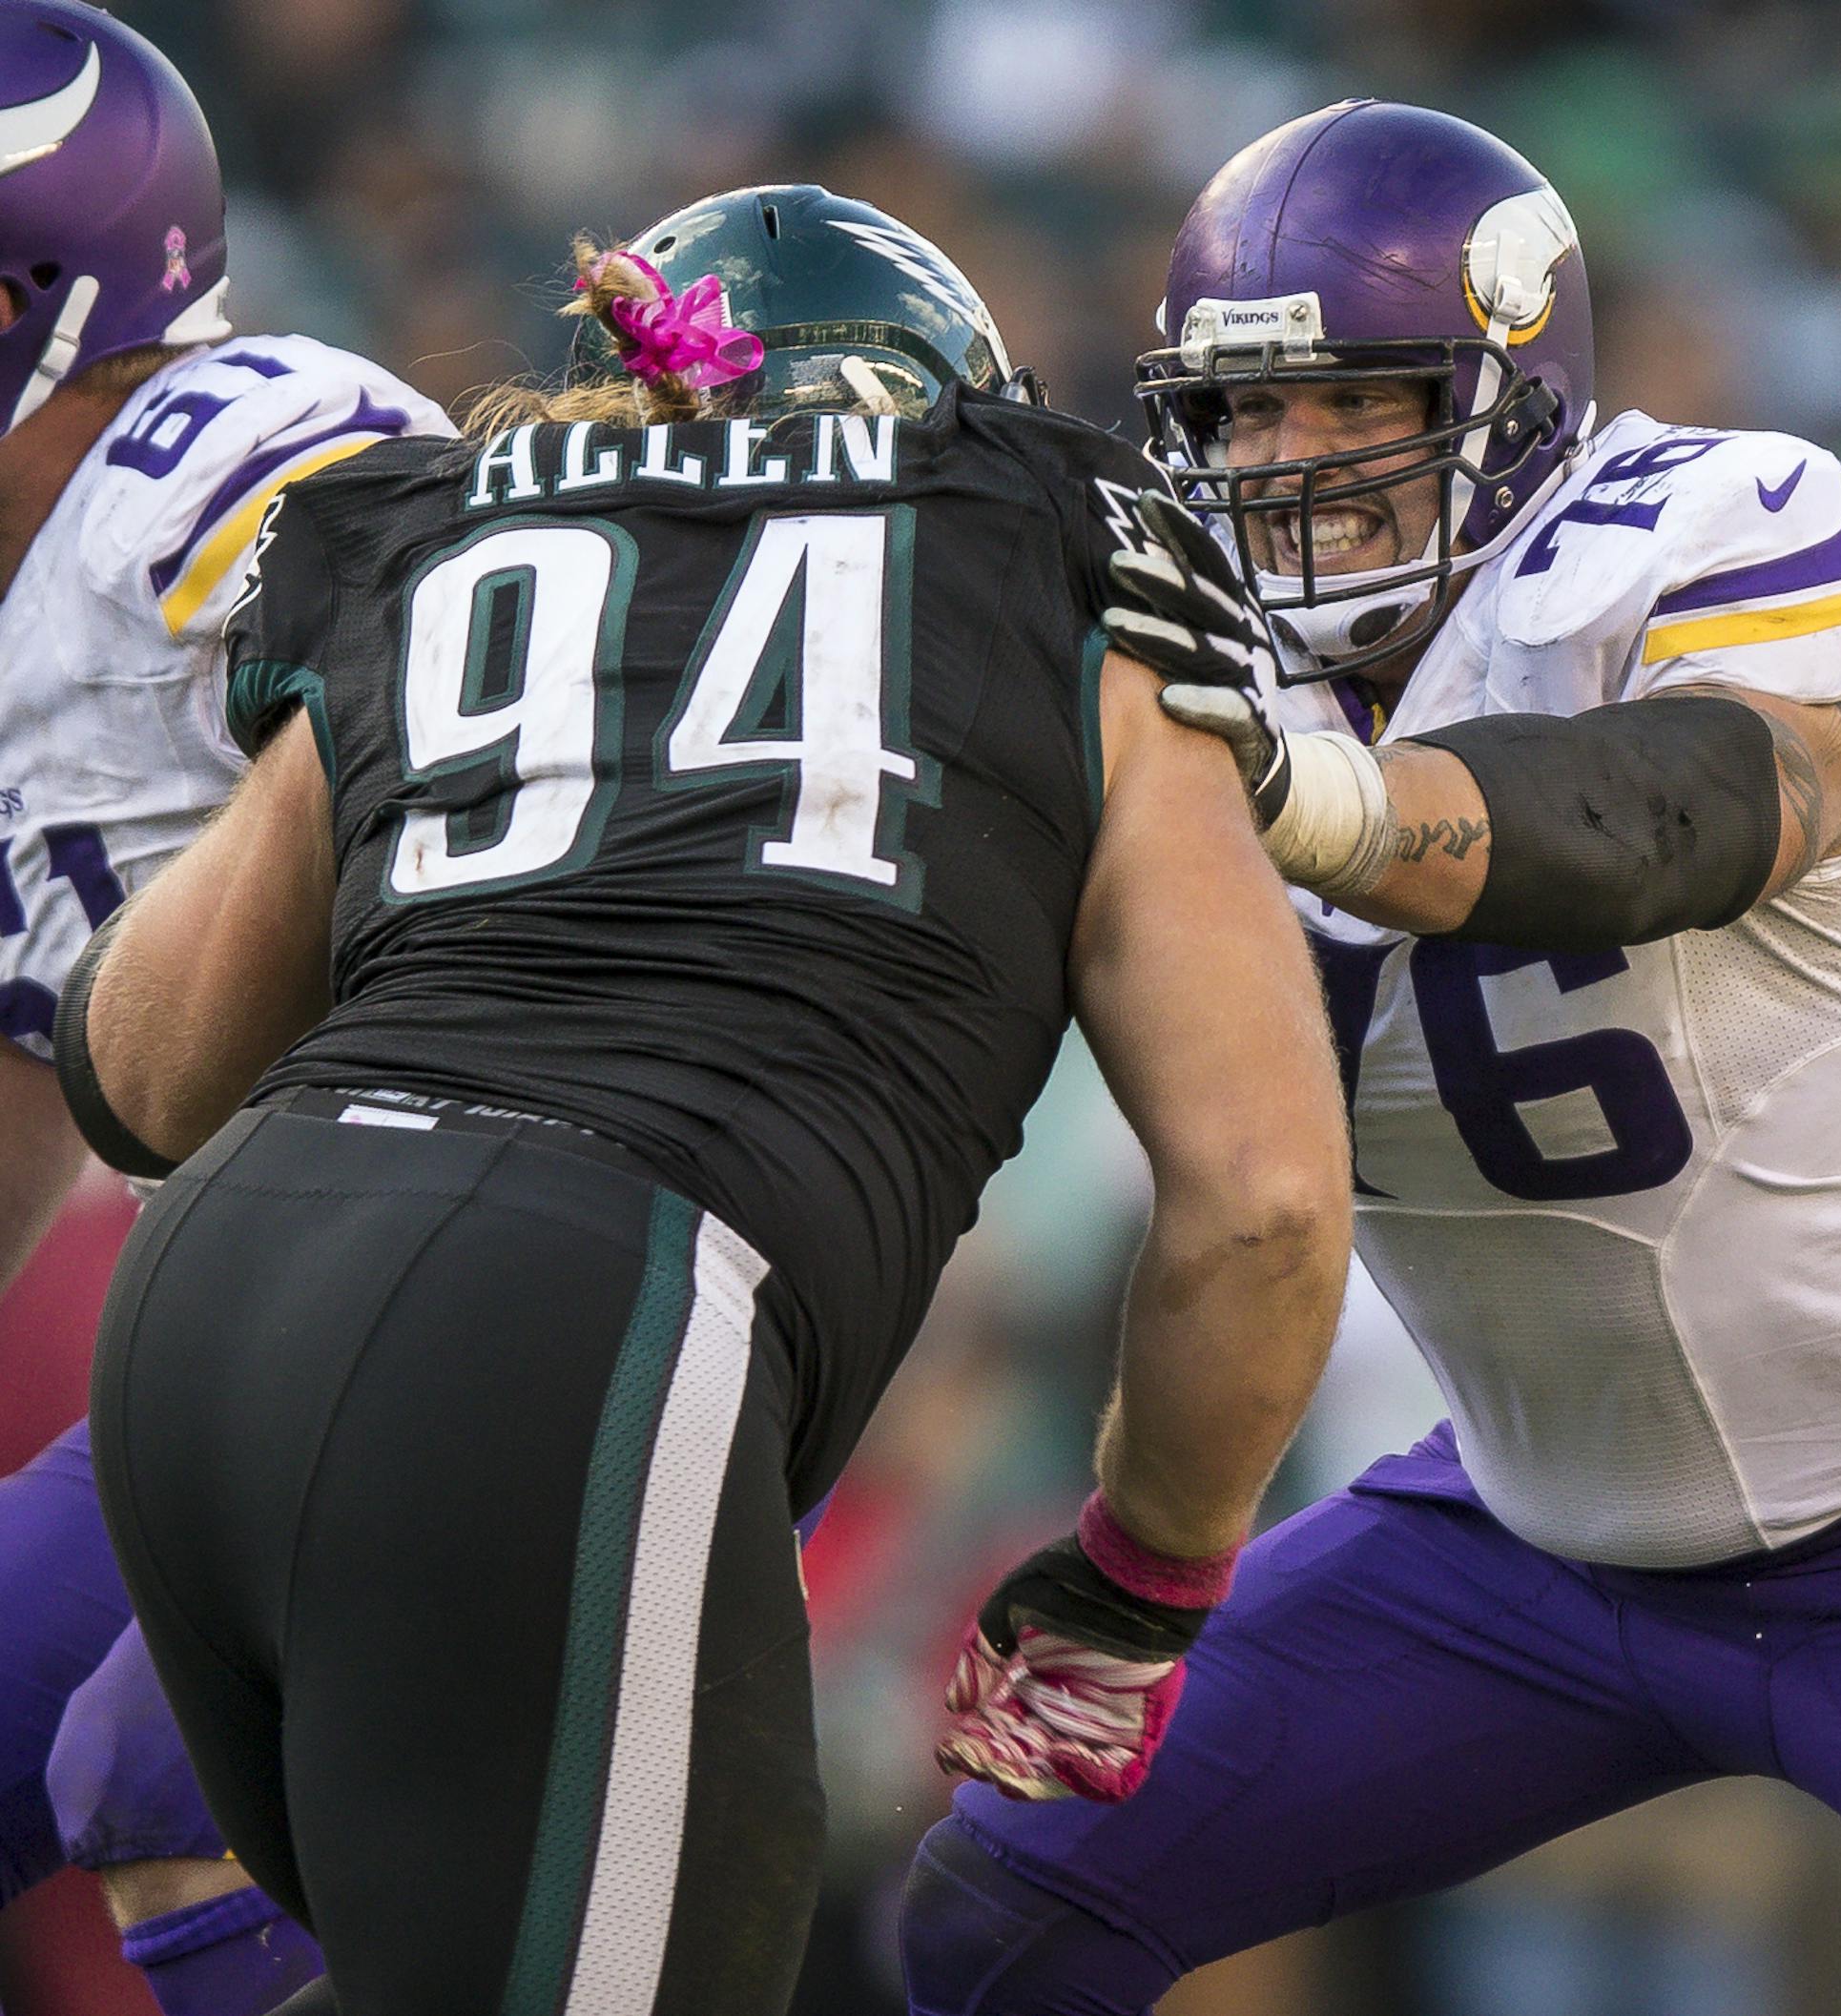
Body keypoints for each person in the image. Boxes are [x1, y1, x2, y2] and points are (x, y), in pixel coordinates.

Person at [59, 185, 1353, 2016]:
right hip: (577, 1311)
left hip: (214, 1292)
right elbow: (1268, 1197)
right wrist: (1139, 1585)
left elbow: (146, 1075)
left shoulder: (428, 538)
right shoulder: (1053, 545)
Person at [899, 99, 1841, 2016]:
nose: (1275, 464)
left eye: (1344, 400)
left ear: (1506, 382)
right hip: (1526, 1549)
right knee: (998, 1906)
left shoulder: (1694, 522)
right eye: (1238, 414)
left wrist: (1328, 804)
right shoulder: (1188, 659)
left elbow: (1692, 807)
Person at [0, 7, 445, 2012]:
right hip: (273, 1318)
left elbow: (496, 752)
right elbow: (30, 1076)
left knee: (159, 1764)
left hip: (485, 1251)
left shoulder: (237, 453)